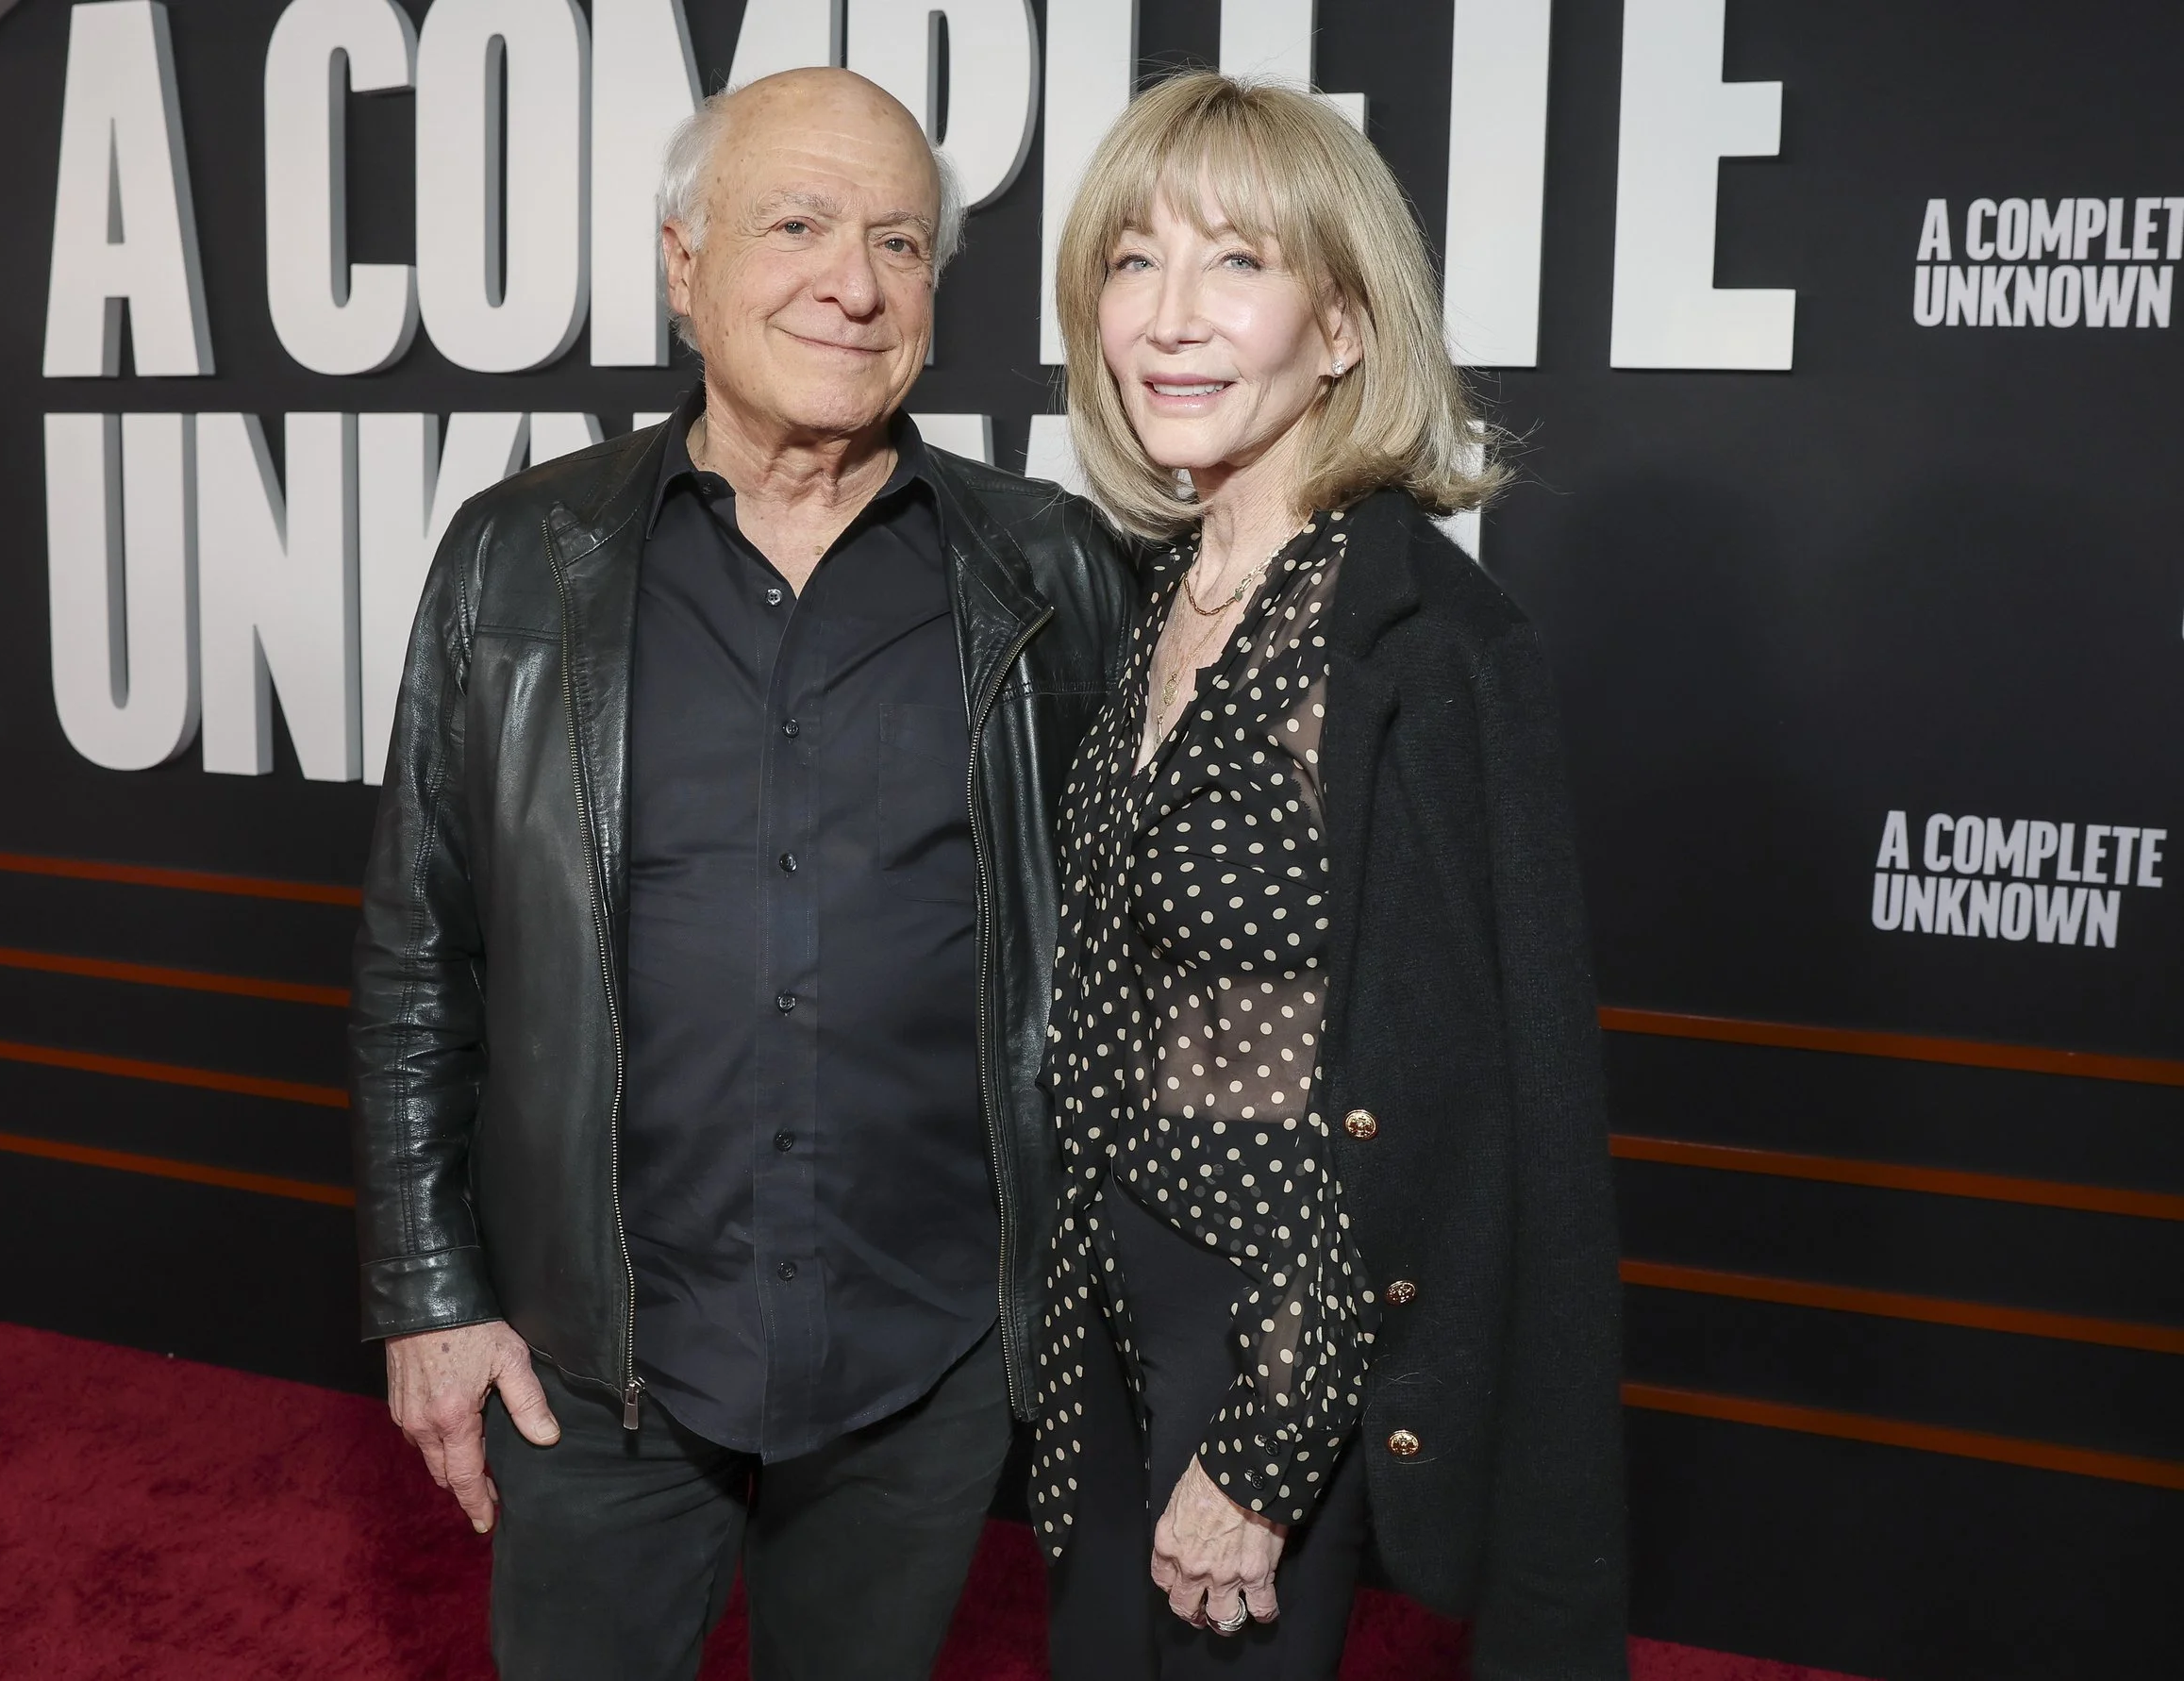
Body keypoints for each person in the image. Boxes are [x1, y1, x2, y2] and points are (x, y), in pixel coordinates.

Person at [349, 67, 1131, 1681]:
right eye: (798, 225)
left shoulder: (1052, 571)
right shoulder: (514, 559)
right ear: (680, 264)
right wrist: (434, 1291)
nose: (855, 283)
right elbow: (421, 956)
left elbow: (1129, 961)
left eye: (902, 243)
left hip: (930, 1352)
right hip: (598, 1354)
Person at [1034, 74, 1628, 1679]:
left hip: (1273, 1343)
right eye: (1132, 261)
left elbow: (1453, 1107)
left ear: (1346, 326)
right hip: (1109, 1309)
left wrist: (1269, 1441)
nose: (1168, 316)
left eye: (1237, 264)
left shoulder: (1422, 651)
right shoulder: (1156, 600)